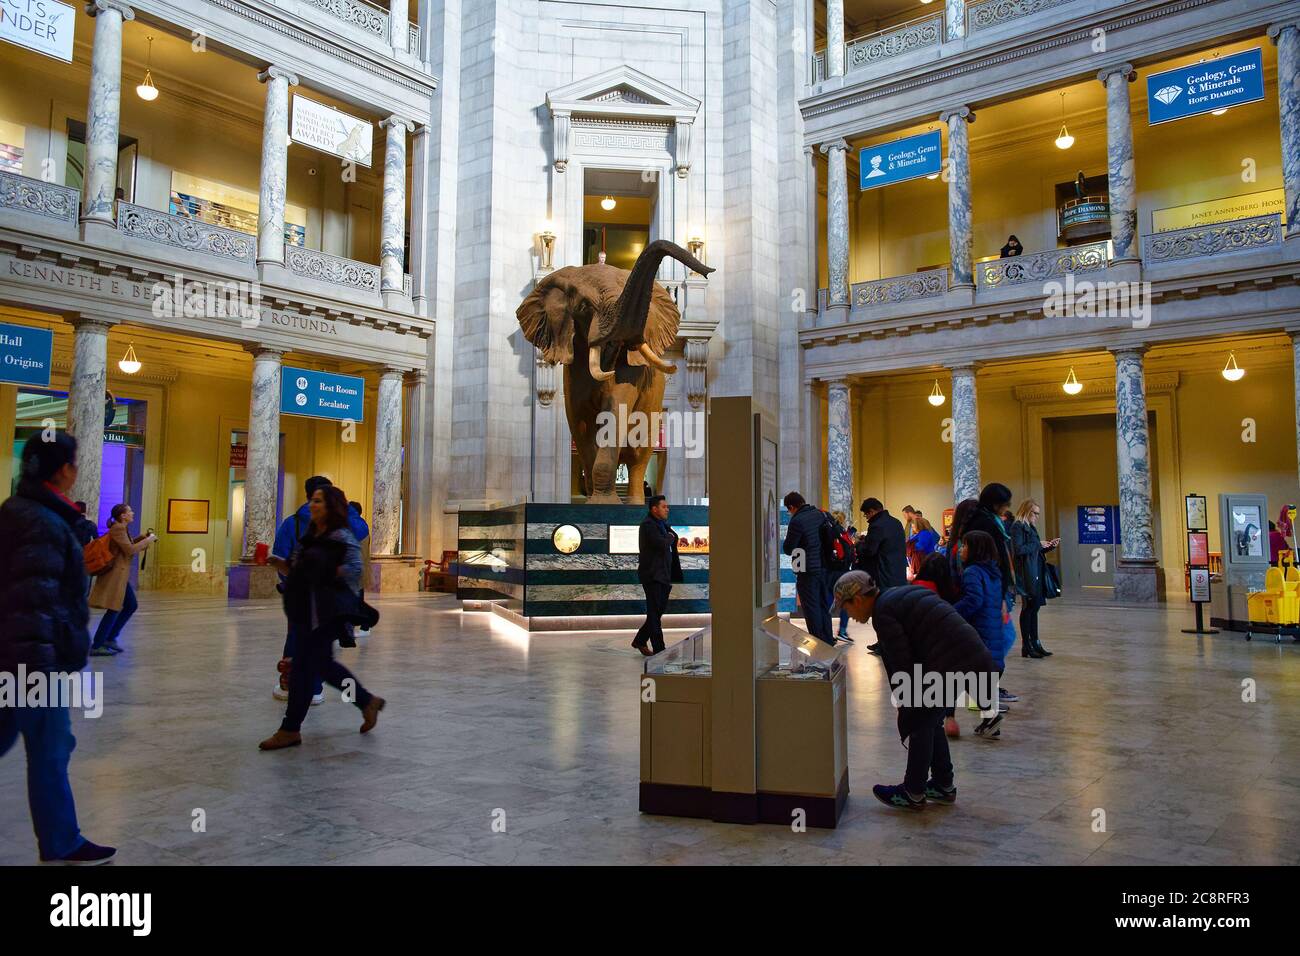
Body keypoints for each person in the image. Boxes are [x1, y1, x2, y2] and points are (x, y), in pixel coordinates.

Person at [0, 432, 116, 863]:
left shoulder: (19, 511)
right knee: (51, 748)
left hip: (16, 655)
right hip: (33, 661)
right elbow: (36, 600)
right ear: (64, 470)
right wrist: (43, 667)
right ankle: (61, 842)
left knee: (42, 743)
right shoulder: (44, 522)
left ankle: (60, 839)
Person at [833, 570, 995, 812]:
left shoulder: (884, 612)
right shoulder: (892, 597)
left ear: (857, 600)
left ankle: (913, 791)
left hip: (952, 660)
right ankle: (943, 784)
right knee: (930, 718)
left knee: (920, 719)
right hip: (966, 655)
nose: (850, 616)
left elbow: (901, 662)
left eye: (846, 608)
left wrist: (905, 700)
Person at [260, 485, 384, 750]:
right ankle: (366, 701)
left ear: (331, 506)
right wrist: (276, 562)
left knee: (305, 670)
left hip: (324, 613)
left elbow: (355, 569)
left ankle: (290, 729)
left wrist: (324, 572)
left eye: (318, 501)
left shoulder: (341, 536)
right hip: (304, 611)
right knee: (322, 667)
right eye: (312, 500)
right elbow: (297, 571)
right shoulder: (310, 536)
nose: (312, 505)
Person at [271, 477, 368, 702]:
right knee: (318, 646)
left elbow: (283, 556)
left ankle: (293, 686)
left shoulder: (293, 523)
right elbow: (362, 530)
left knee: (300, 640)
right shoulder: (343, 524)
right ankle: (313, 689)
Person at [952, 531, 1009, 739]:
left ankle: (989, 716)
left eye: (965, 546)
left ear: (975, 550)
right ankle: (989, 719)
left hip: (978, 633)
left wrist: (950, 612)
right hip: (993, 633)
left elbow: (973, 600)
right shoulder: (993, 572)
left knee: (962, 675)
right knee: (975, 678)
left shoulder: (972, 572)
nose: (961, 550)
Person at [88, 503, 156, 656]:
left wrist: (142, 537)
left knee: (130, 605)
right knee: (114, 608)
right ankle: (98, 645)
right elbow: (129, 550)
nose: (132, 513)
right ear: (123, 515)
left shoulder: (121, 528)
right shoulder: (118, 528)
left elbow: (127, 545)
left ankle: (110, 638)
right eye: (130, 511)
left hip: (120, 576)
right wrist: (148, 540)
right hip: (115, 576)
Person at [782, 491, 834, 645]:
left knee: (812, 608)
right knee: (823, 605)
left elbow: (788, 548)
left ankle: (818, 643)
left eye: (789, 510)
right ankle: (828, 640)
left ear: (792, 507)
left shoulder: (797, 521)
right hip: (825, 568)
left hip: (808, 570)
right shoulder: (821, 514)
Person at [633, 495, 682, 656]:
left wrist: (670, 536)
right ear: (654, 509)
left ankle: (640, 640)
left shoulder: (661, 524)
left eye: (667, 506)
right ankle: (660, 650)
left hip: (664, 575)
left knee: (657, 612)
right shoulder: (648, 525)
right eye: (664, 507)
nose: (667, 509)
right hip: (652, 575)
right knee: (654, 614)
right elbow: (662, 543)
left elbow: (672, 539)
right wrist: (670, 537)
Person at [1011, 499, 1058, 658]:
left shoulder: (1030, 527)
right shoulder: (1018, 527)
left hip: (1036, 569)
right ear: (1027, 511)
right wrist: (1039, 544)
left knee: (1035, 607)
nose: (1037, 516)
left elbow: (1034, 551)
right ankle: (1027, 645)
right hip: (1027, 573)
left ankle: (1035, 643)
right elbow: (1019, 550)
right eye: (1035, 513)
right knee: (1028, 608)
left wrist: (1049, 546)